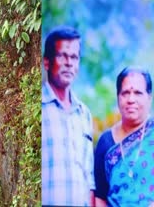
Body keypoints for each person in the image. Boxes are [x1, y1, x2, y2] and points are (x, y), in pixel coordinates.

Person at [42, 26, 95, 206]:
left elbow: (89, 178)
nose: (69, 63)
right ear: (47, 62)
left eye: (74, 57)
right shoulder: (40, 108)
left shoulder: (84, 114)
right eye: (62, 56)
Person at [94, 66, 154, 206]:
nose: (131, 99)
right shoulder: (106, 141)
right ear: (118, 97)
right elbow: (100, 196)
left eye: (138, 93)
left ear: (149, 98)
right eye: (125, 93)